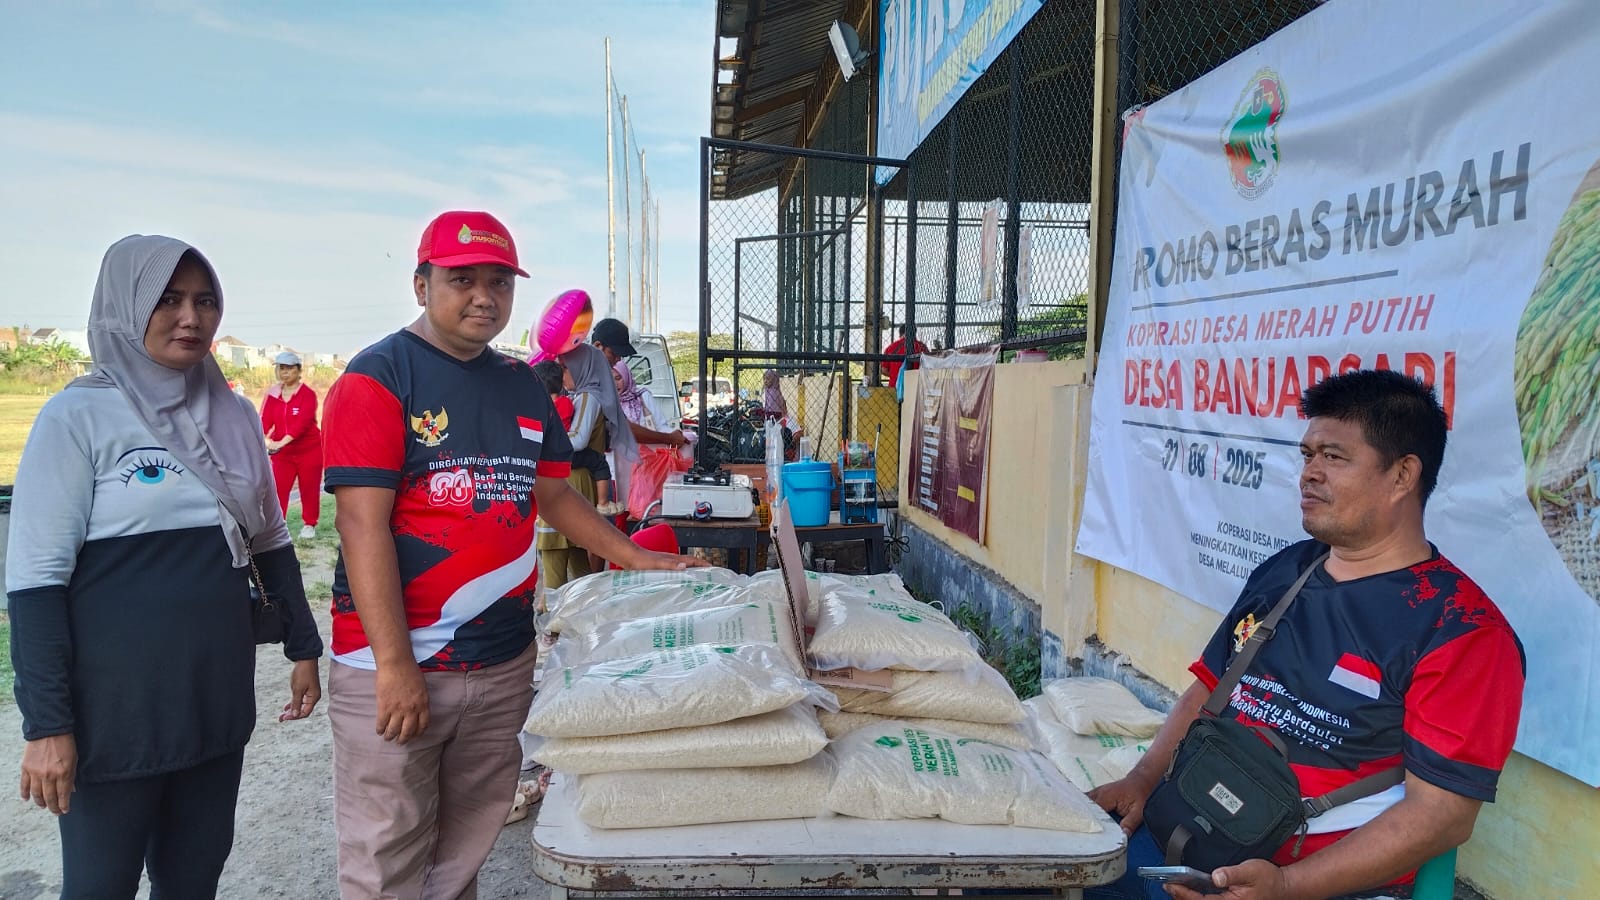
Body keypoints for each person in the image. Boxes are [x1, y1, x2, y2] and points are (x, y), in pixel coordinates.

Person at [318, 210, 704, 900]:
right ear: (420, 283)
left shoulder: (524, 383)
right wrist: (395, 664)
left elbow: (556, 498)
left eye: (498, 281)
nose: (483, 296)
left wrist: (639, 558)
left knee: (463, 848)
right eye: (461, 279)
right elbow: (360, 527)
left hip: (498, 659)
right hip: (404, 662)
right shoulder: (377, 378)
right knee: (387, 856)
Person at [1086, 370, 1525, 900]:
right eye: (1307, 455)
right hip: (1178, 832)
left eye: (1334, 457)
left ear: (1403, 475)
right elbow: (1209, 688)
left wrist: (1289, 885)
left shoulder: (1461, 631)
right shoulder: (1288, 571)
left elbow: (1442, 816)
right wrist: (1142, 779)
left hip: (1309, 883)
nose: (1309, 474)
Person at [8, 235, 323, 899]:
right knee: (100, 886)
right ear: (124, 306)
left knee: (193, 880)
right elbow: (35, 583)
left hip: (213, 703)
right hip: (113, 719)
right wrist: (48, 727)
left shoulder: (235, 415)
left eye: (205, 300)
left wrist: (303, 646)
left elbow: (269, 539)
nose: (192, 317)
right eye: (168, 299)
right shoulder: (78, 416)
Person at [539, 343, 639, 578]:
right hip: (578, 479)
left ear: (581, 367)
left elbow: (578, 439)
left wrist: (543, 442)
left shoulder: (586, 397)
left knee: (554, 553)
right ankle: (580, 609)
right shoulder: (582, 396)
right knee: (577, 557)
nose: (562, 375)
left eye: (565, 368)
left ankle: (556, 612)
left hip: (569, 480)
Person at [589, 316, 688, 448]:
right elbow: (624, 429)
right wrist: (669, 438)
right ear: (598, 346)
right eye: (613, 353)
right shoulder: (588, 381)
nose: (618, 359)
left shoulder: (599, 382)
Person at [261, 349, 324, 539]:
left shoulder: (308, 395)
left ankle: (309, 524)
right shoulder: (273, 394)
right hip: (283, 454)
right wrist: (265, 440)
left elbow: (302, 424)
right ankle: (279, 523)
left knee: (309, 487)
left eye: (289, 368)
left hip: (309, 450)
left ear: (298, 370)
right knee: (279, 488)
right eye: (281, 368)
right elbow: (263, 421)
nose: (284, 372)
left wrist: (280, 442)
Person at [882, 325, 928, 390]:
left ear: (900, 334)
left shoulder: (891, 348)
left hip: (895, 387)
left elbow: (884, 370)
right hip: (916, 387)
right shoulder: (922, 347)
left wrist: (898, 377)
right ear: (915, 333)